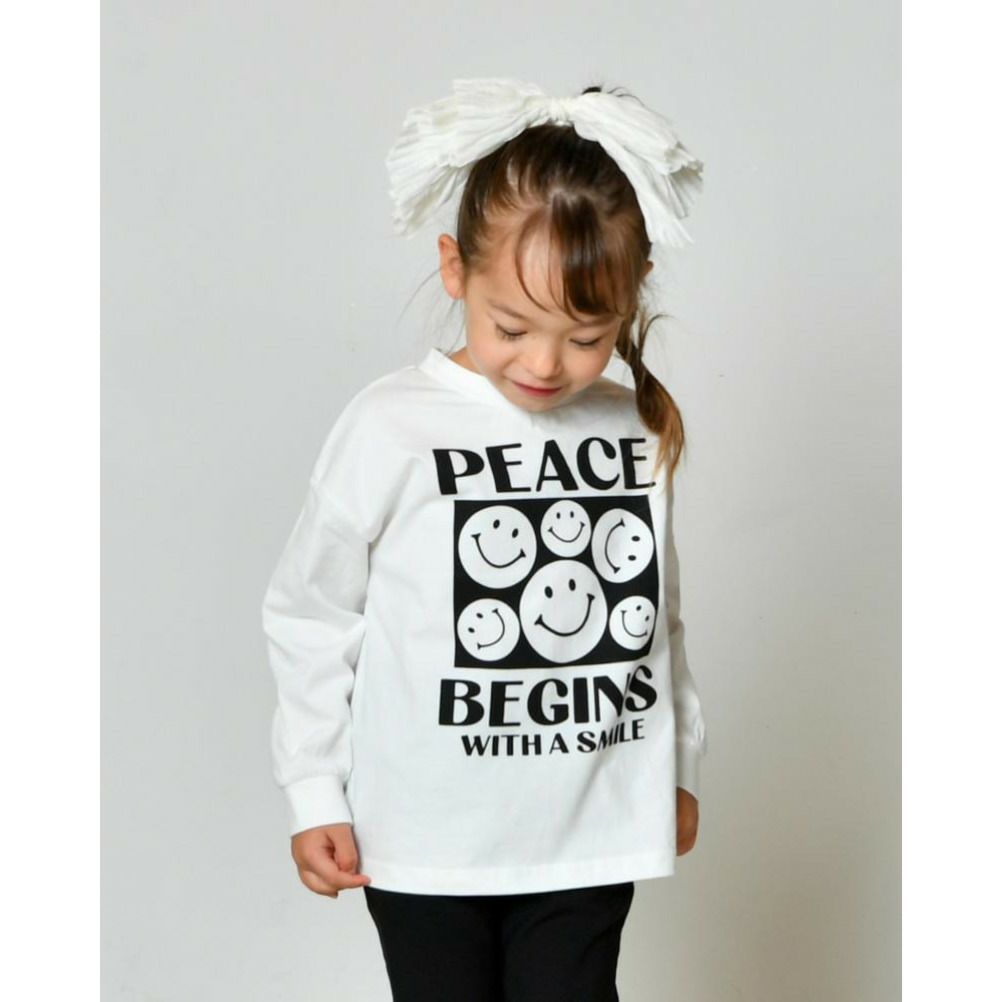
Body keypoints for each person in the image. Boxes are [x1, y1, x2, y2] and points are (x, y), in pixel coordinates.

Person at [261, 77, 710, 1002]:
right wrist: (314, 791)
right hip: (424, 840)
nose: (545, 363)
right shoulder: (390, 426)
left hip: (588, 832)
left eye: (586, 335)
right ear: (454, 269)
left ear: (631, 299)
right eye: (513, 326)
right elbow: (312, 614)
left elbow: (657, 621)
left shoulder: (632, 426)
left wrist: (675, 766)